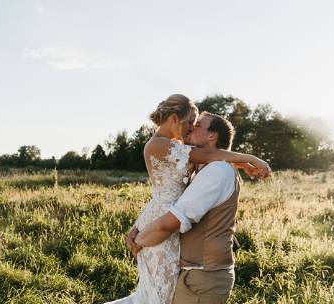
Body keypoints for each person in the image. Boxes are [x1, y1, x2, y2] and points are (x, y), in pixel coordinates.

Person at [104, 94, 270, 304]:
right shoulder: (158, 145)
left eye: (197, 125)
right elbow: (209, 156)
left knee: (157, 293)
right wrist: (250, 159)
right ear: (175, 119)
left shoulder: (210, 165)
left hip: (169, 222)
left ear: (212, 136)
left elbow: (211, 158)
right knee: (156, 293)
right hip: (162, 216)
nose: (191, 128)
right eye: (191, 123)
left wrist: (242, 163)